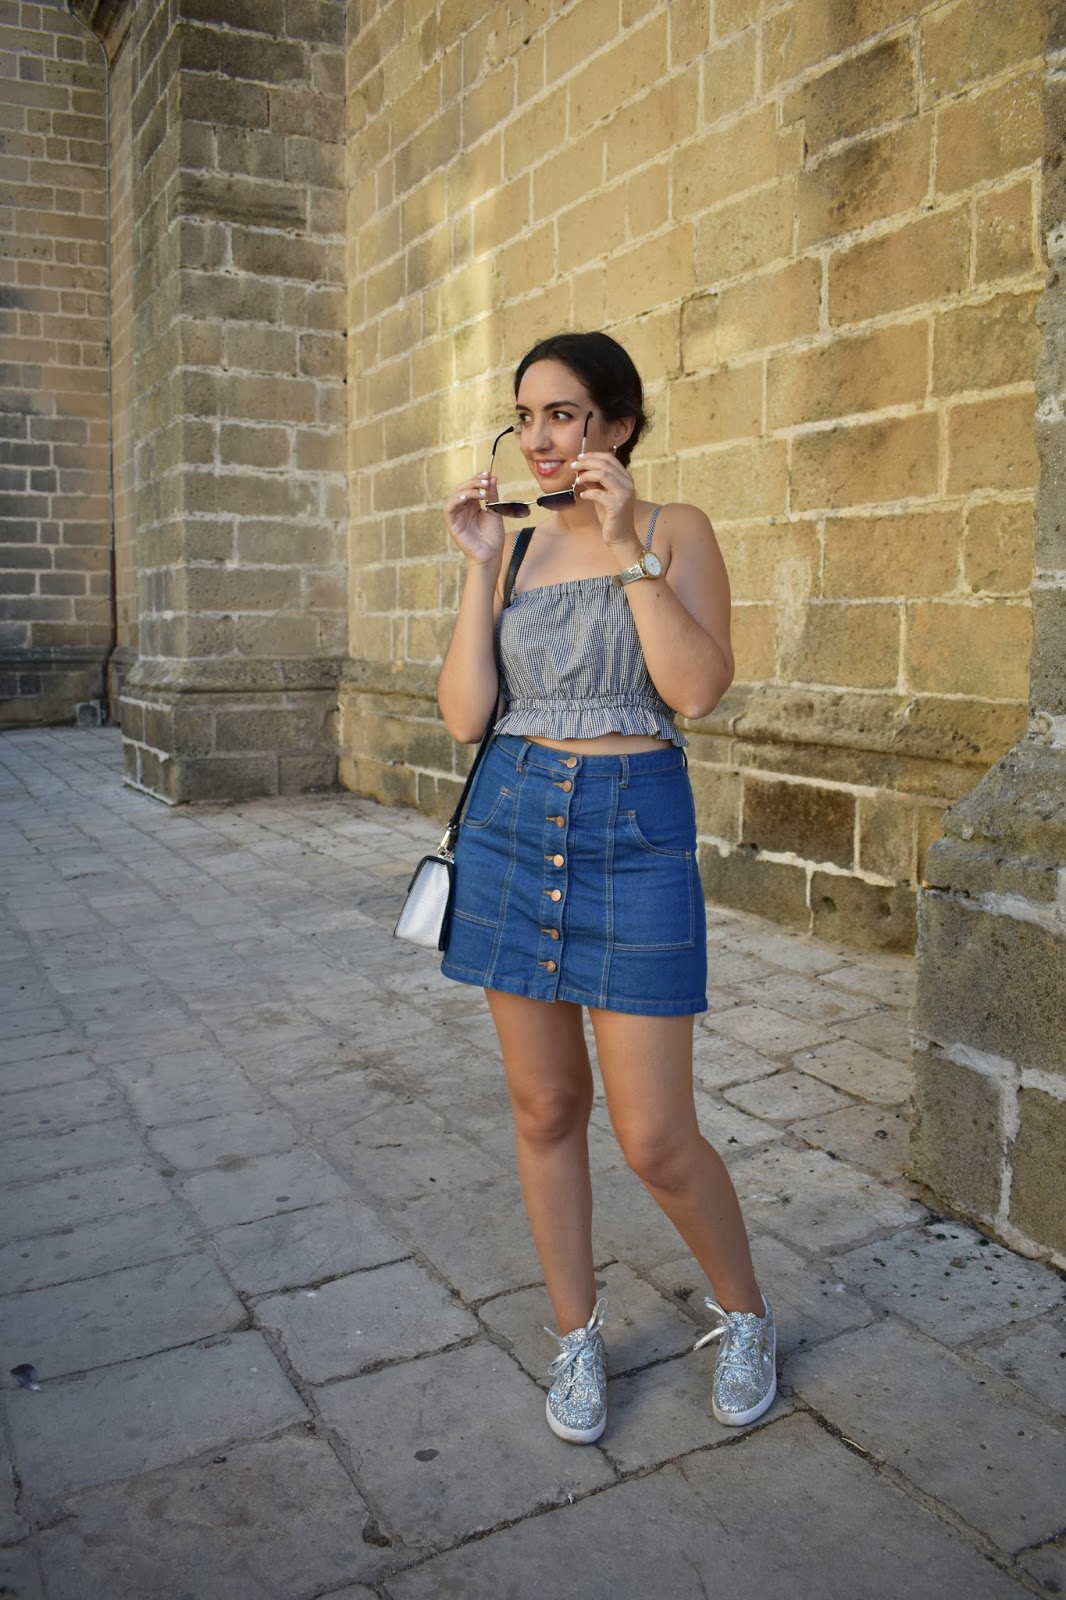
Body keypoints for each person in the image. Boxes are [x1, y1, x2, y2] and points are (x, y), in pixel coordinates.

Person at [437, 331, 775, 1444]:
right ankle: (577, 1335)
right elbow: (461, 714)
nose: (537, 437)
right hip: (510, 823)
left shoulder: (675, 530)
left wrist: (628, 546)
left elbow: (696, 686)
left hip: (633, 835)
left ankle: (745, 1314)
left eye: (564, 414)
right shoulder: (517, 551)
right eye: (524, 415)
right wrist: (480, 563)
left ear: (618, 426)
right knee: (544, 1107)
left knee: (655, 1135)